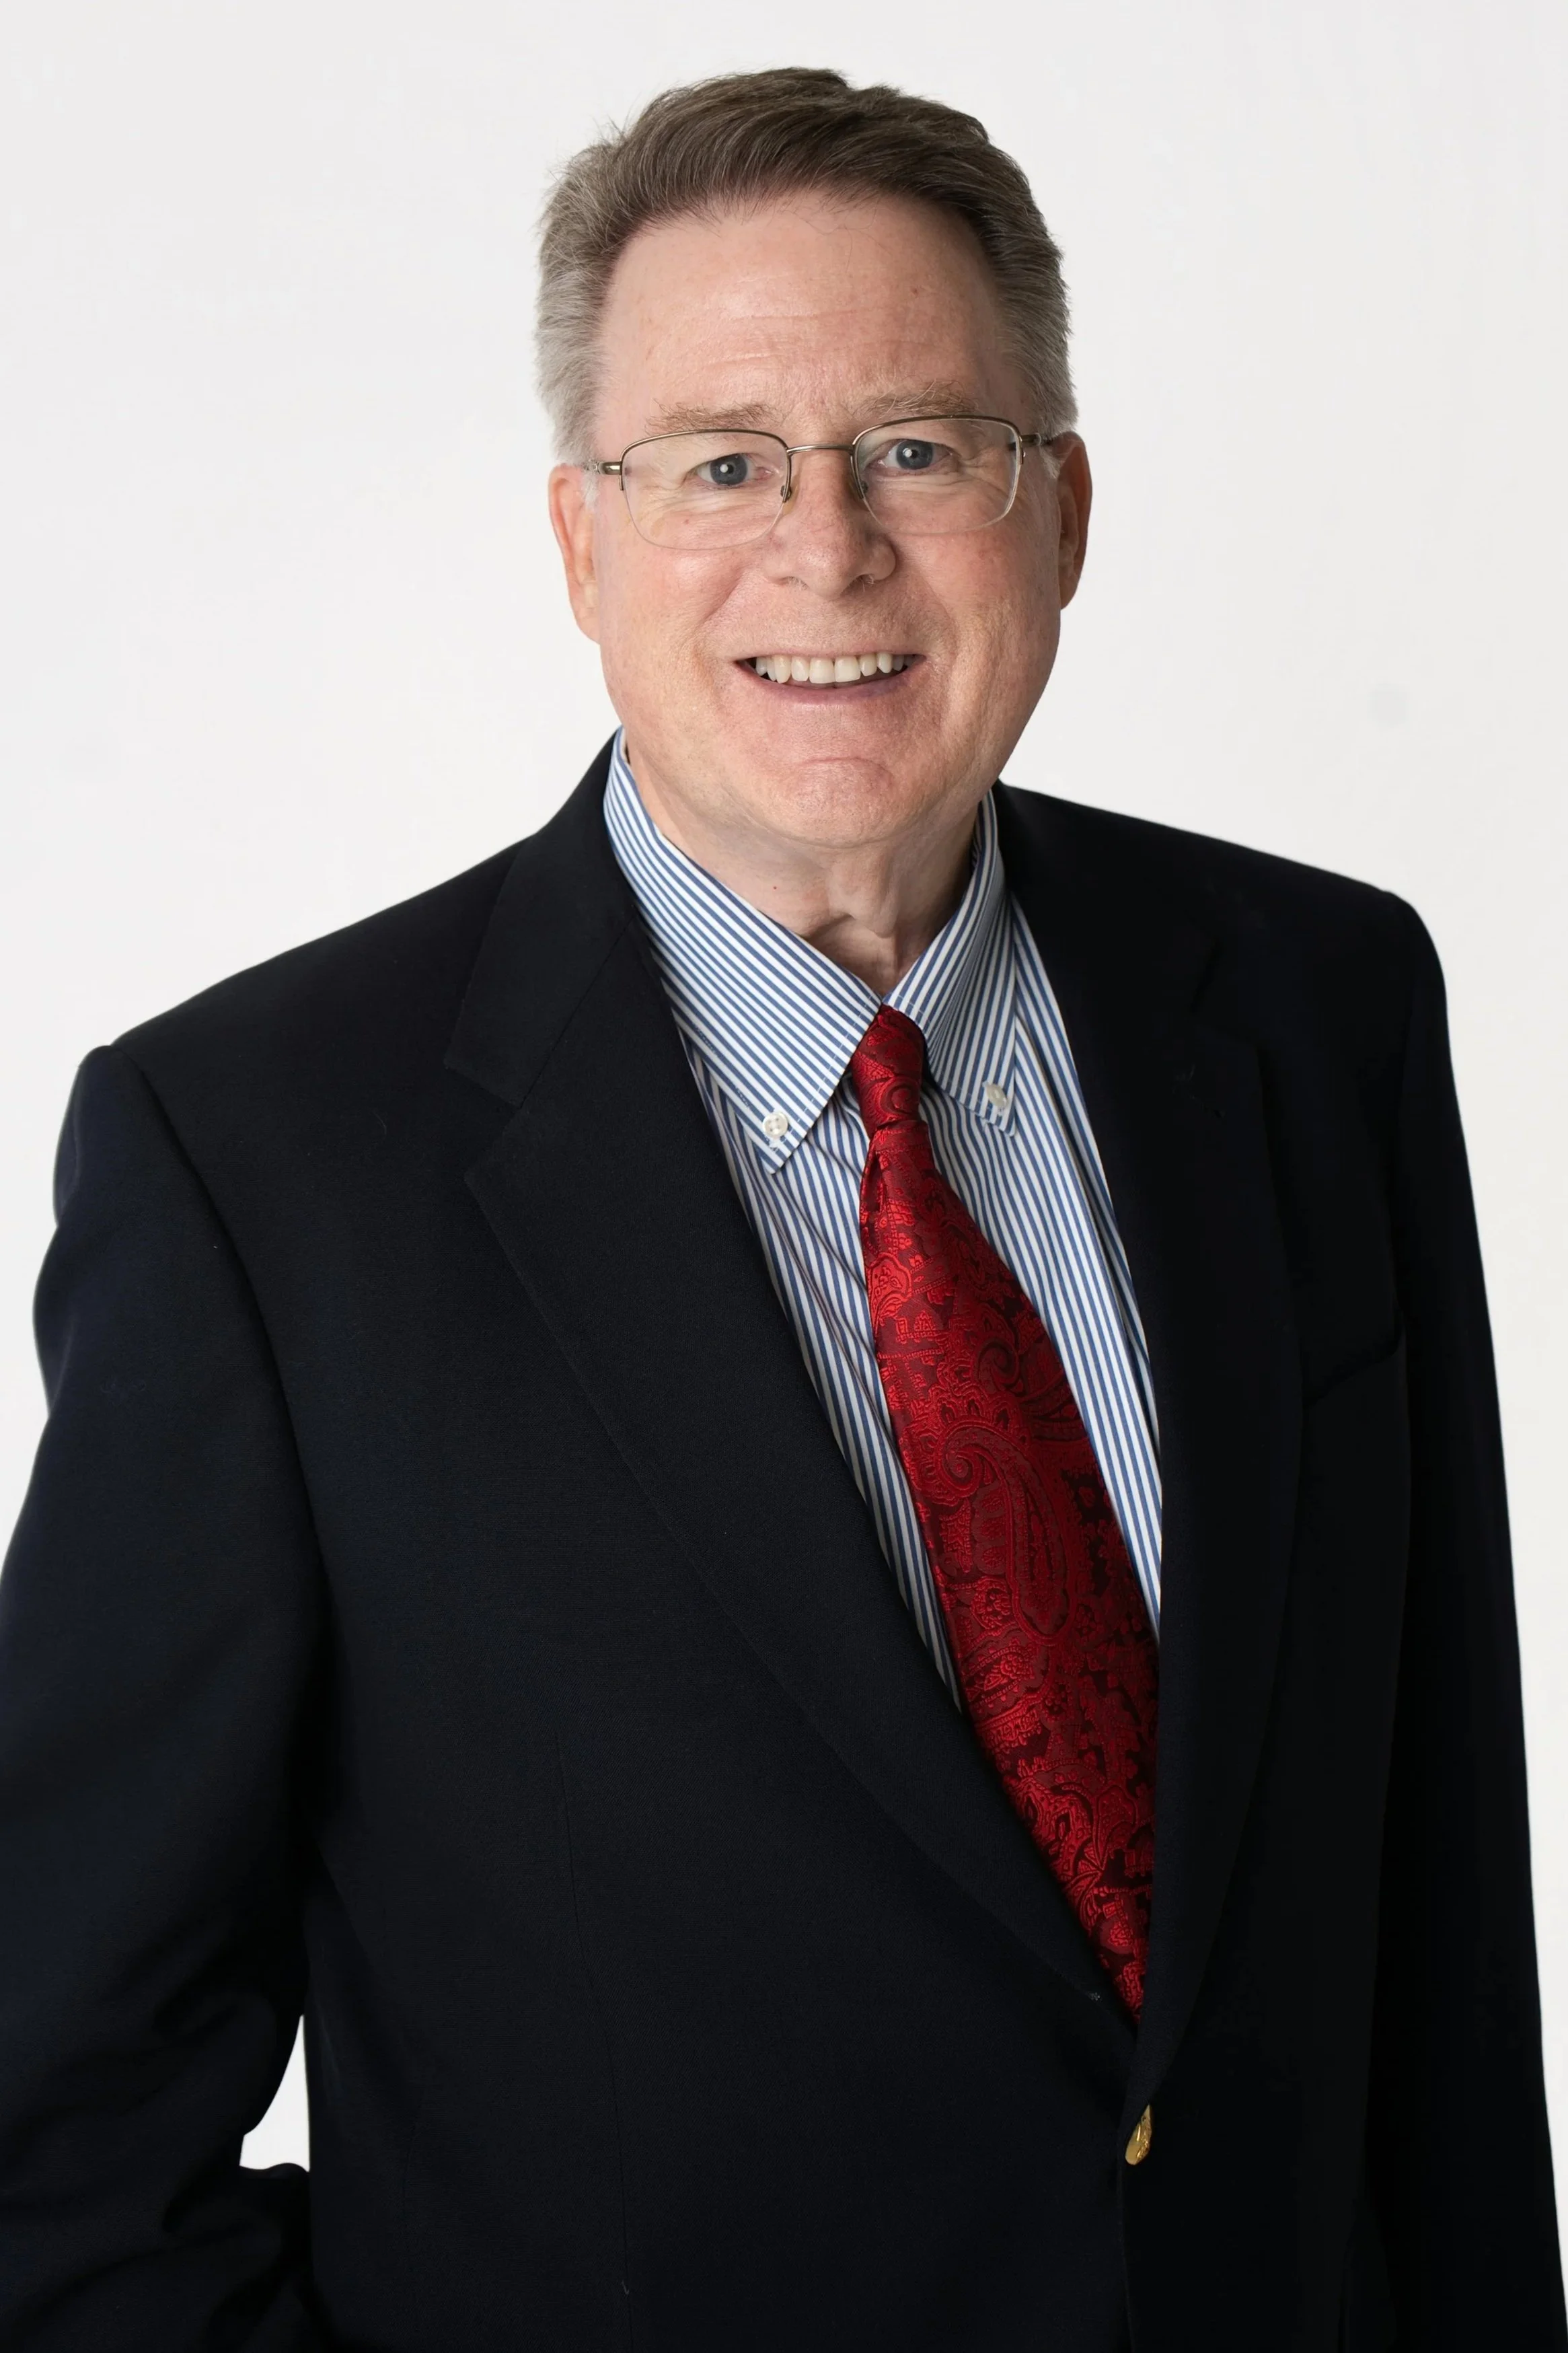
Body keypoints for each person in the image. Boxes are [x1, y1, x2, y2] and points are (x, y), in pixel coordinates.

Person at [0, 63, 1560, 2353]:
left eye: (922, 449)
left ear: (1064, 514)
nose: (827, 547)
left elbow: (1438, 1913)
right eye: (720, 462)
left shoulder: (1319, 1008)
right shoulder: (256, 1164)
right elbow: (53, 2142)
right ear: (581, 545)